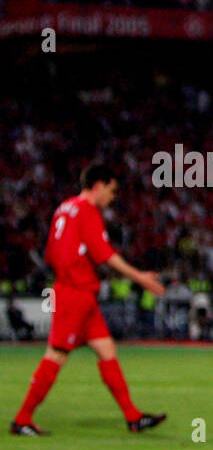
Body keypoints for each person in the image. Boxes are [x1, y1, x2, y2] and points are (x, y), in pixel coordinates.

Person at [11, 164, 167, 436]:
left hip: (77, 290)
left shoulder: (65, 207)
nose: (113, 196)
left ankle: (133, 417)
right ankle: (22, 419)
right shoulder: (87, 211)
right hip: (75, 291)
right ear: (98, 185)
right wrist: (139, 277)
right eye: (112, 189)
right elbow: (103, 253)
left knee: (106, 349)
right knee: (57, 354)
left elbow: (50, 253)